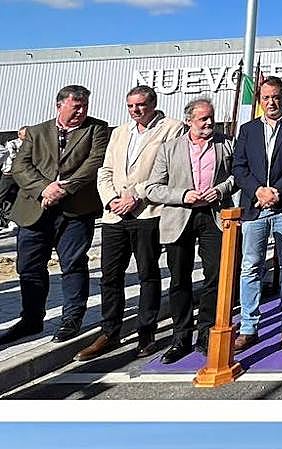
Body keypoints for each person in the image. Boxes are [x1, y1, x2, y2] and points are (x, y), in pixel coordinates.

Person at [77, 85, 184, 362]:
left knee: (148, 273)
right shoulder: (120, 132)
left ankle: (146, 332)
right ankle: (109, 331)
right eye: (131, 106)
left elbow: (169, 172)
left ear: (153, 103)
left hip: (147, 212)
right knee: (110, 275)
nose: (136, 111)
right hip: (115, 215)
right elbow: (106, 170)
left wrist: (136, 196)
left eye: (140, 105)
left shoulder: (172, 129)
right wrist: (111, 199)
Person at [0, 85, 109, 346]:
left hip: (75, 210)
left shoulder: (97, 129)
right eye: (76, 107)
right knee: (28, 267)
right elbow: (20, 167)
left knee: (72, 264)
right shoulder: (37, 132)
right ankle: (31, 319)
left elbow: (94, 163)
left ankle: (71, 318)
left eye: (84, 107)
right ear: (59, 105)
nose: (81, 112)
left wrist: (63, 188)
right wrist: (43, 189)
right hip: (36, 210)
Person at [144, 96, 236, 364]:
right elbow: (153, 187)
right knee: (179, 279)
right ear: (189, 121)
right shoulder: (169, 149)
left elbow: (235, 177)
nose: (209, 122)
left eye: (211, 117)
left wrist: (219, 191)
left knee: (215, 275)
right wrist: (183, 195)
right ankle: (180, 336)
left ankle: (206, 332)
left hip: (213, 215)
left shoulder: (225, 144)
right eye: (203, 119)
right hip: (180, 216)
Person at [231, 75, 282, 352]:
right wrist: (259, 191)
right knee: (250, 266)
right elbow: (239, 168)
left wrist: (277, 191)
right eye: (266, 98)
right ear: (260, 101)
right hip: (255, 208)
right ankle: (249, 326)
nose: (271, 102)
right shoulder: (248, 129)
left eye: (276, 96)